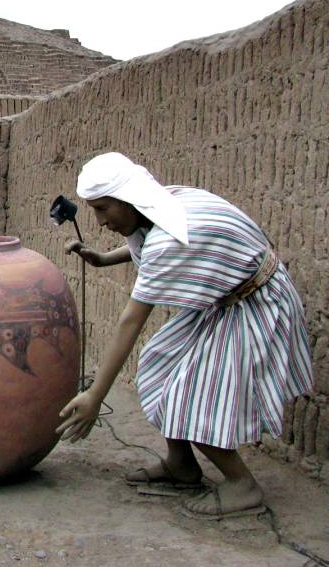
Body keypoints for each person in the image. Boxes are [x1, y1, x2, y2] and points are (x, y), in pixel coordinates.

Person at [56, 152, 312, 519]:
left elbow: (132, 319)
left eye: (102, 209)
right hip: (229, 299)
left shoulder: (167, 237)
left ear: (129, 199)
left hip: (257, 303)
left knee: (192, 395)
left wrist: (95, 395)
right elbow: (150, 236)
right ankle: (182, 466)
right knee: (162, 367)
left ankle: (242, 485)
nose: (99, 221)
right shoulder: (164, 203)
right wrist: (102, 259)